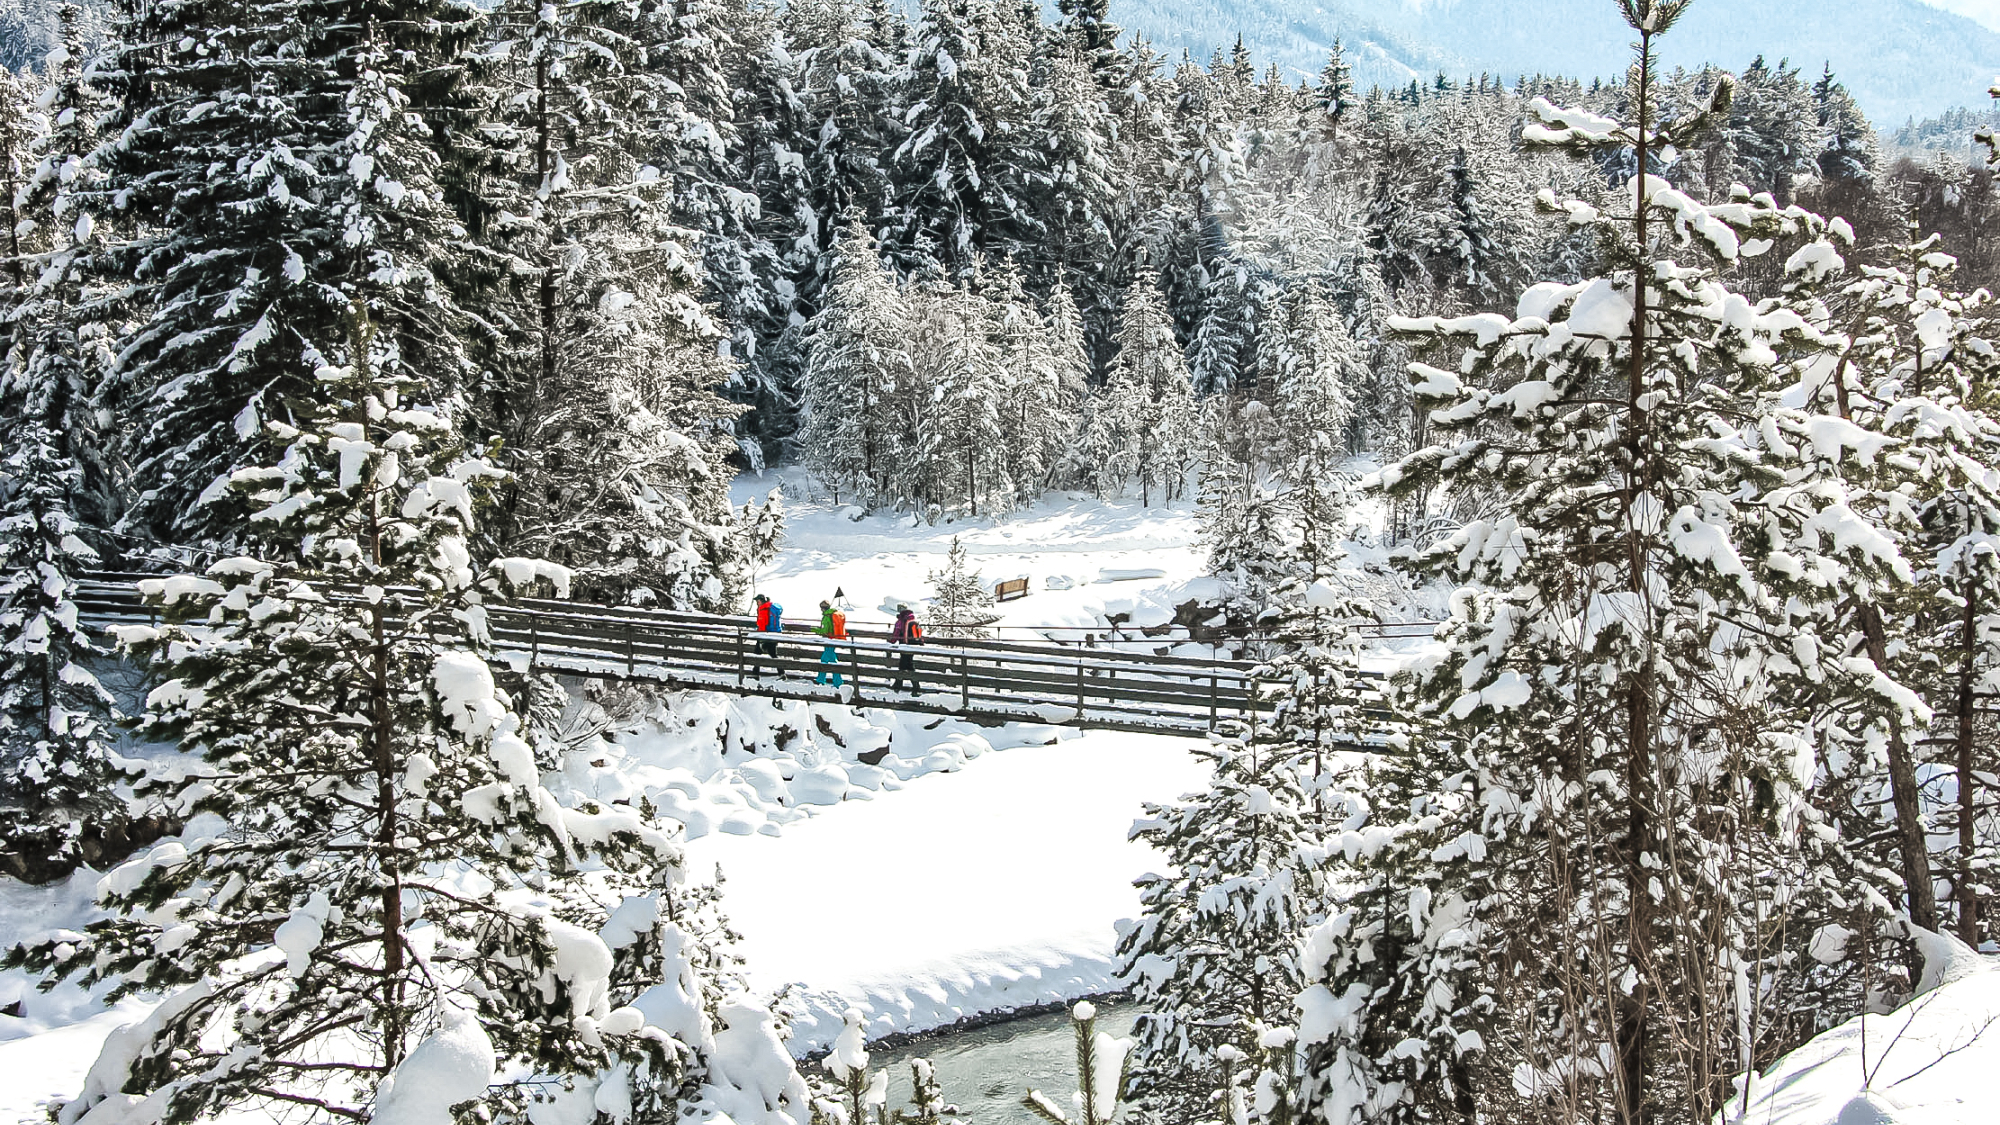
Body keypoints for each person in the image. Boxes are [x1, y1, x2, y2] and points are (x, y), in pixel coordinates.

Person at [889, 604, 924, 694]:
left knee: (904, 665)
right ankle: (906, 685)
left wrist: (891, 642)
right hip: (912, 646)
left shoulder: (901, 621)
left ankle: (901, 685)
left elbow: (896, 635)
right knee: (907, 664)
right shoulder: (912, 619)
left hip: (904, 645)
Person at [814, 599, 847, 686]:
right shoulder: (832, 614)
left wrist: (814, 630)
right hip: (833, 640)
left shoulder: (827, 617)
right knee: (831, 660)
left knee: (825, 660)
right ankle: (837, 681)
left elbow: (824, 631)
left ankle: (822, 680)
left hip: (829, 641)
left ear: (822, 608)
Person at [751, 594, 782, 677]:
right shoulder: (768, 607)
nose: (757, 603)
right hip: (772, 634)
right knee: (760, 653)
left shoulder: (764, 609)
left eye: (758, 601)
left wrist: (761, 637)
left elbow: (762, 624)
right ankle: (755, 673)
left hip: (765, 635)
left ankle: (781, 673)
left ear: (762, 601)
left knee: (771, 654)